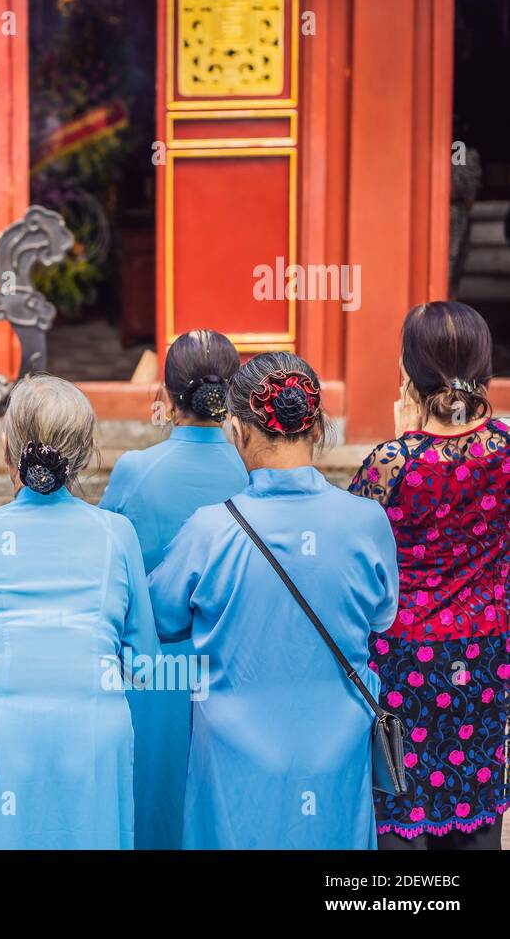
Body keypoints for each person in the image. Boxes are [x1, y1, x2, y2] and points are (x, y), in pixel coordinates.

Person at [149, 351, 399, 849]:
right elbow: (381, 616)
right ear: (317, 427)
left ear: (238, 431)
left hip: (232, 764)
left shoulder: (210, 529)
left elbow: (163, 615)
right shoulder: (366, 523)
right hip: (336, 754)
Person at [0, 374, 158, 849]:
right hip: (93, 732)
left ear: (6, 448)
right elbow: (145, 664)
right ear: (87, 452)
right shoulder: (117, 534)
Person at [349, 301, 508, 850]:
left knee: (400, 808)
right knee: (479, 804)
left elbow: (354, 547)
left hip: (404, 660)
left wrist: (404, 442)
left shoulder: (391, 463)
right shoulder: (507, 451)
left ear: (409, 373)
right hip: (486, 656)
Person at [100, 329, 248, 850]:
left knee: (153, 806)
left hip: (154, 664)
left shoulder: (136, 471)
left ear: (164, 397)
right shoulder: (253, 472)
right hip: (234, 663)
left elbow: (107, 561)